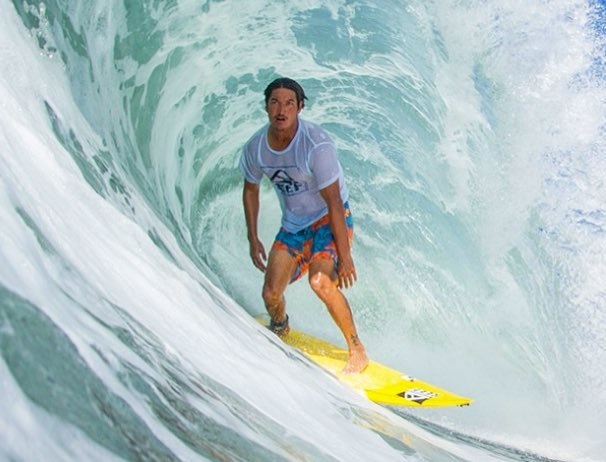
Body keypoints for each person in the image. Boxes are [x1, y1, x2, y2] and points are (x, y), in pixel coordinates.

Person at [240, 77, 369, 374]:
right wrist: (252, 237)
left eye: (289, 103)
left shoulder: (316, 145)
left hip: (328, 219)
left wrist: (345, 256)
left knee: (320, 282)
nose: (281, 110)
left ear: (299, 107)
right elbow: (250, 190)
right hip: (294, 227)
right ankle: (280, 326)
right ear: (266, 107)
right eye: (275, 103)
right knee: (271, 294)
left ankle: (357, 350)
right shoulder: (256, 148)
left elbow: (334, 202)